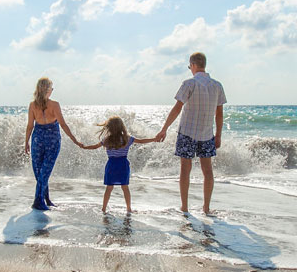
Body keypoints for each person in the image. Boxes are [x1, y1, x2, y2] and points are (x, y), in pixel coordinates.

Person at [155, 52, 226, 215]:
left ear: (193, 65)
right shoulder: (217, 85)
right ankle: (206, 208)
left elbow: (177, 108)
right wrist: (219, 135)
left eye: (189, 67)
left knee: (185, 170)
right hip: (207, 134)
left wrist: (164, 128)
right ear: (204, 65)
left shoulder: (189, 83)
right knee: (207, 171)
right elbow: (219, 113)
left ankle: (185, 207)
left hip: (187, 132)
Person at [78, 115, 157, 213]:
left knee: (109, 188)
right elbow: (141, 141)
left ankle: (104, 208)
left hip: (111, 165)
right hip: (123, 165)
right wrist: (154, 139)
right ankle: (128, 208)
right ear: (122, 127)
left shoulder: (107, 140)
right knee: (125, 187)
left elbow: (94, 147)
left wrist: (84, 147)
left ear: (109, 128)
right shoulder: (127, 139)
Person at [25, 77, 79, 210]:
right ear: (47, 90)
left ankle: (46, 199)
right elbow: (63, 124)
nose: (52, 90)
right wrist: (74, 139)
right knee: (43, 171)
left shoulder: (33, 105)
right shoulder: (54, 105)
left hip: (37, 138)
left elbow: (30, 126)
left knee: (41, 171)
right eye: (51, 88)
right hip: (52, 139)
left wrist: (26, 141)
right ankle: (38, 201)